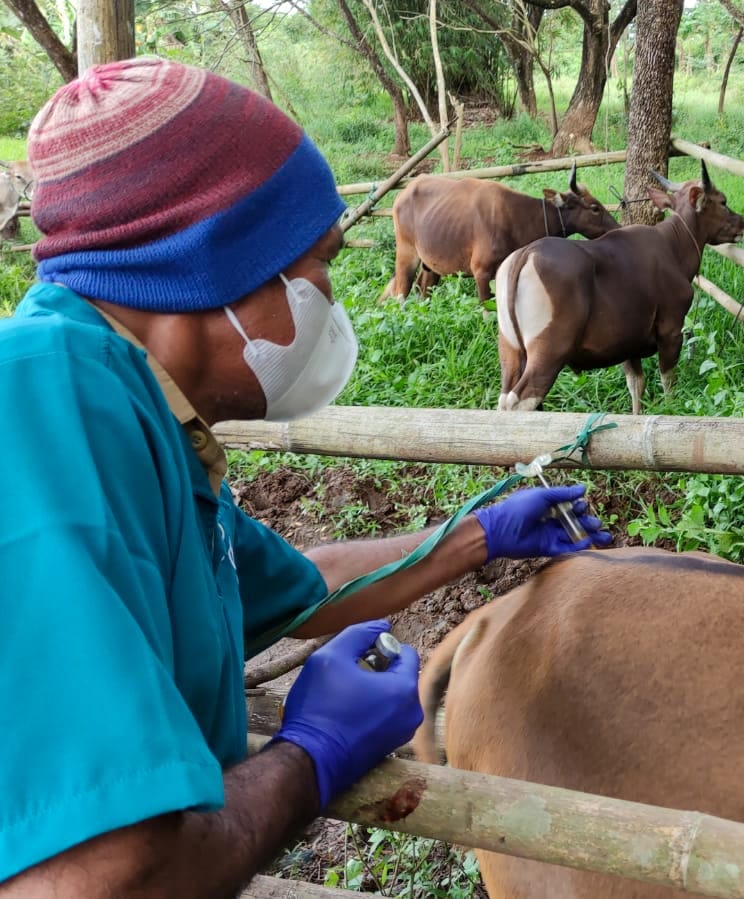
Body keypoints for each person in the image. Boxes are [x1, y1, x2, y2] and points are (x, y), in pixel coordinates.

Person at [0, 57, 612, 897]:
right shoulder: (44, 406)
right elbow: (100, 878)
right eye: (318, 263)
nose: (330, 295)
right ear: (209, 263)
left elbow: (293, 588)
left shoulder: (141, 413)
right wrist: (309, 757)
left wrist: (481, 533)